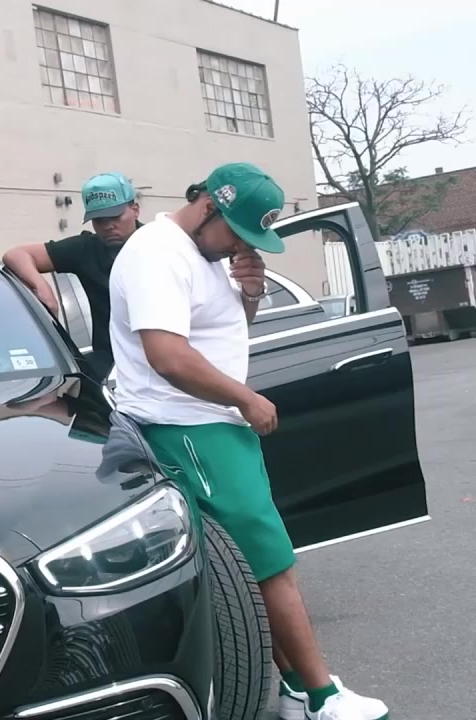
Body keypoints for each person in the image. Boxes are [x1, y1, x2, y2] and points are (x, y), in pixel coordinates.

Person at [107, 162, 388, 720]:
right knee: (271, 564)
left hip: (213, 425)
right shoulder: (156, 254)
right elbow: (168, 355)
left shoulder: (203, 253)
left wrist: (251, 293)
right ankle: (324, 698)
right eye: (235, 232)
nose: (240, 245)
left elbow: (216, 331)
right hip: (188, 426)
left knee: (254, 565)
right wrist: (244, 398)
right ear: (209, 205)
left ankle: (296, 690)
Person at [2, 172, 142, 379]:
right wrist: (43, 289)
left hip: (163, 363)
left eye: (115, 217)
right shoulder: (86, 249)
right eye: (99, 220)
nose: (108, 226)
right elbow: (16, 255)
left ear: (135, 210)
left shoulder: (163, 245)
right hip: (112, 368)